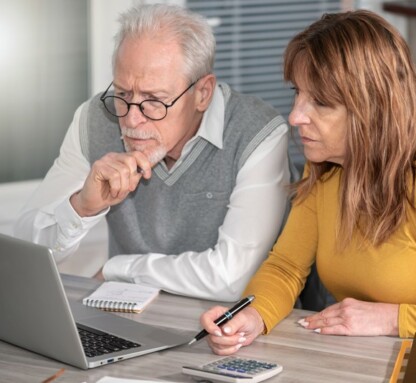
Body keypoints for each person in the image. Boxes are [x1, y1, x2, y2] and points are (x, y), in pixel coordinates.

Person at [199, 9, 416, 355]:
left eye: (321, 102)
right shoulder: (324, 170)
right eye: (298, 92)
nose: (295, 115)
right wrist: (253, 315)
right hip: (370, 360)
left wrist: (393, 320)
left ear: (373, 109)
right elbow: (286, 268)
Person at [14, 4, 295, 302]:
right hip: (127, 317)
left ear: (202, 93)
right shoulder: (94, 119)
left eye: (154, 100)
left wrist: (119, 269)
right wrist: (81, 206)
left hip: (234, 328)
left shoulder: (258, 132)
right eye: (123, 94)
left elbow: (232, 278)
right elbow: (24, 253)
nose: (132, 120)